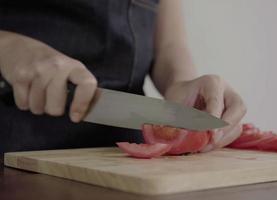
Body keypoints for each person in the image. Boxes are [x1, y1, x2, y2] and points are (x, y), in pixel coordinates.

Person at [0, 0, 246, 156]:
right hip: (12, 147)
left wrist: (181, 82)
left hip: (120, 154)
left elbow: (169, 45)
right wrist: (7, 46)